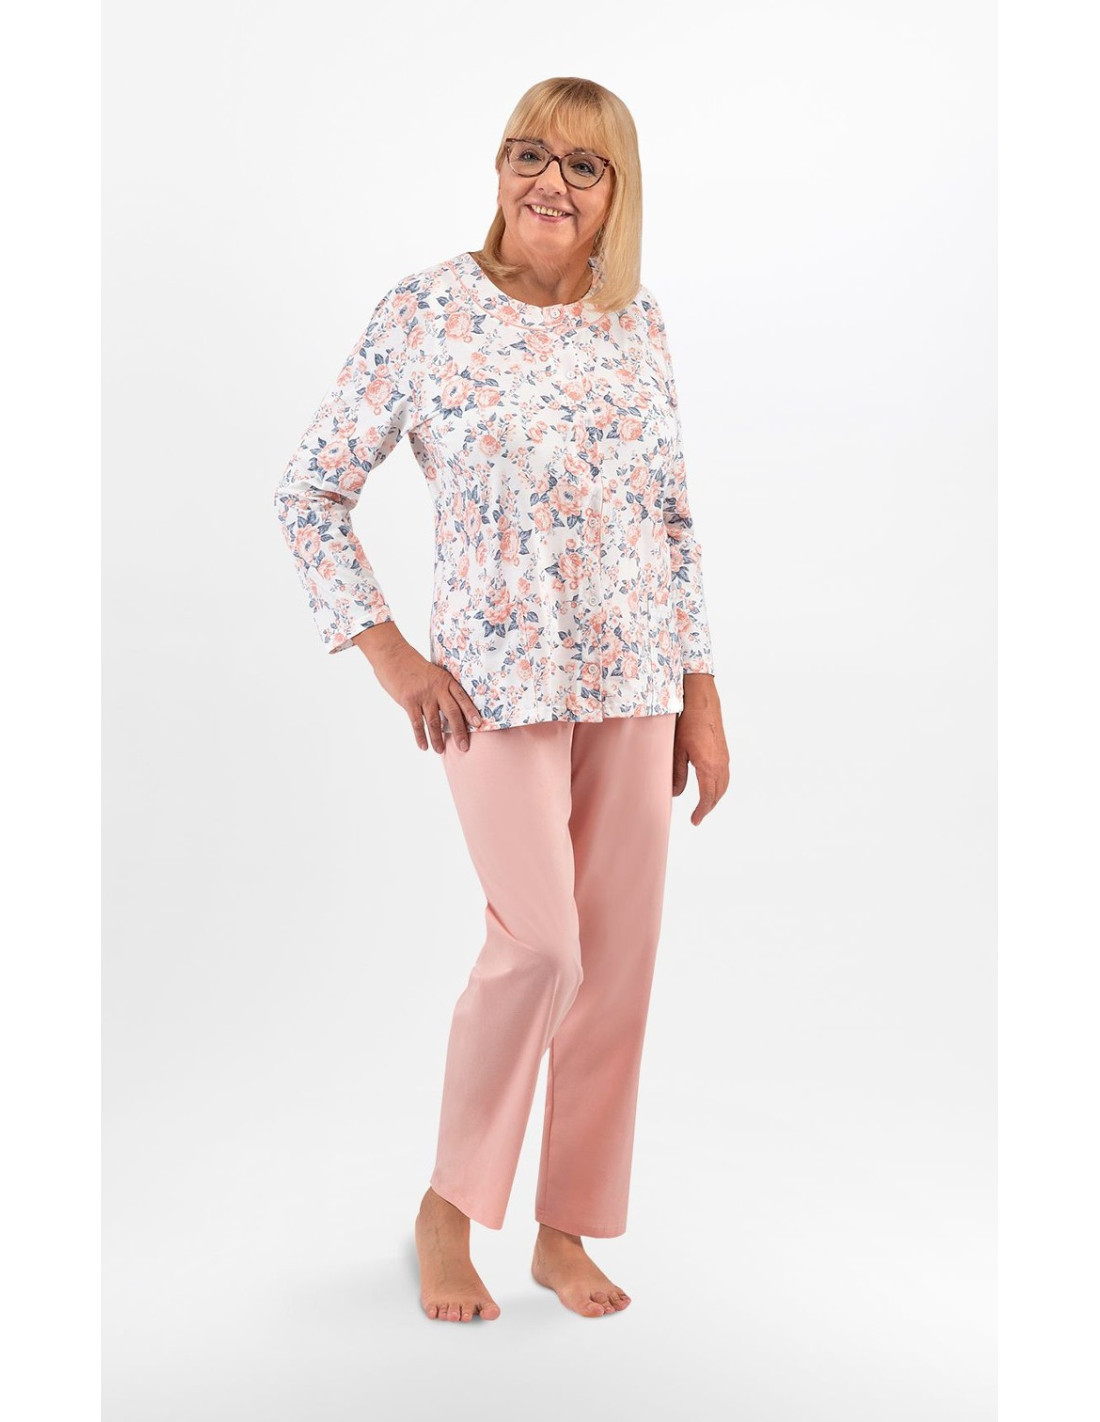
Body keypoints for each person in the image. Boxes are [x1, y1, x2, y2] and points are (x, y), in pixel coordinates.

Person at [274, 76, 731, 1323]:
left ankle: (562, 1228)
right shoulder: (427, 311)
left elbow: (671, 520)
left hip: (633, 678)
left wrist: (698, 690)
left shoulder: (635, 322)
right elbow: (309, 491)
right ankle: (448, 1205)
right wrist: (390, 656)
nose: (549, 183)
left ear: (615, 195)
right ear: (496, 169)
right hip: (494, 689)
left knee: (615, 964)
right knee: (539, 945)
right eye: (529, 154)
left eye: (582, 166)